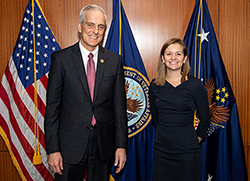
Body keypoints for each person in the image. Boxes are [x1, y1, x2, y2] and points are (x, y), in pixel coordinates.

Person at [44, 5, 128, 181]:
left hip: (103, 144)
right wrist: (53, 149)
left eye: (101, 26)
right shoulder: (61, 60)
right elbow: (52, 109)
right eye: (90, 25)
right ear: (80, 26)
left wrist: (121, 146)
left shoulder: (114, 61)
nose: (95, 31)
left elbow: (119, 108)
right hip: (68, 146)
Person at [149, 38, 210, 181]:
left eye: (178, 54)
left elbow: (205, 118)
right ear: (163, 59)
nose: (173, 58)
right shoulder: (154, 85)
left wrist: (194, 139)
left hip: (188, 152)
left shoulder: (195, 86)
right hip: (162, 152)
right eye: (169, 54)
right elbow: (155, 117)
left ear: (184, 59)